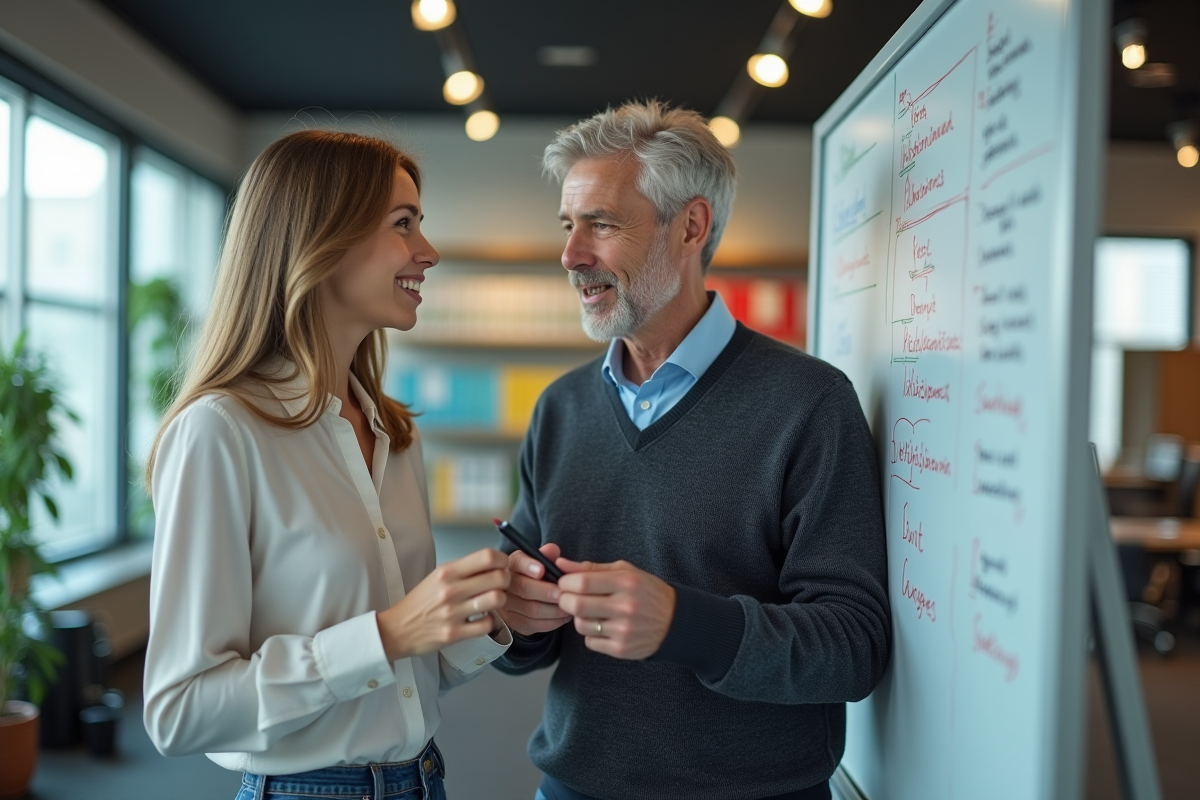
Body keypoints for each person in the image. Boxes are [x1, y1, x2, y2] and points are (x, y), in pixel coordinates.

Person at [494, 101, 891, 800]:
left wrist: (686, 624)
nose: (571, 255)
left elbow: (853, 647)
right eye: (568, 225)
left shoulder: (810, 404)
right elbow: (531, 637)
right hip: (573, 788)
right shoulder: (559, 408)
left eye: (603, 224)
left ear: (691, 226)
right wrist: (514, 618)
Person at [142, 129, 513, 800]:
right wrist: (388, 633)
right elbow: (180, 710)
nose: (427, 253)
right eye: (404, 225)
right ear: (324, 237)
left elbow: (405, 670)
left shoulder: (393, 433)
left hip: (422, 779)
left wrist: (491, 615)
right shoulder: (220, 432)